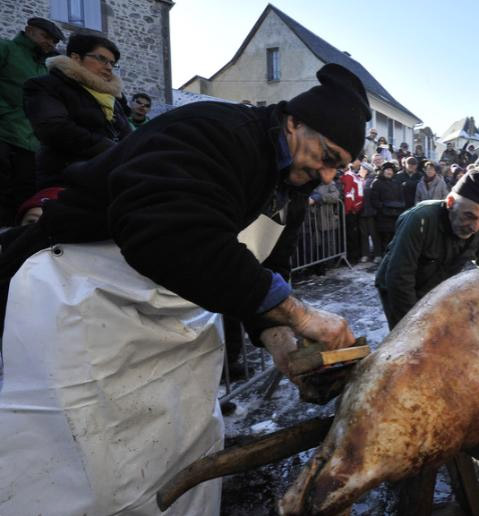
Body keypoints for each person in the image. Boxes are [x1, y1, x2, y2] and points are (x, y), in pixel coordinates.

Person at [0, 63, 368, 515]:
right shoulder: (218, 131)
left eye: (342, 168)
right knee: (80, 469)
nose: (330, 176)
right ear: (294, 122)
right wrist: (301, 315)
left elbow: (267, 269)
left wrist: (280, 342)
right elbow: (168, 231)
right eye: (328, 156)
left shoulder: (291, 190)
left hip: (171, 333)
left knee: (177, 459)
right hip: (80, 305)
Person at [374, 166, 479, 328]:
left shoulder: (478, 233)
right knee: (407, 341)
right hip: (396, 286)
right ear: (450, 202)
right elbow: (399, 278)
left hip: (431, 287)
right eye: (469, 216)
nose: (475, 227)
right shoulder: (419, 220)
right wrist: (413, 326)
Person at [24, 31, 132, 189]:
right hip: (66, 178)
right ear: (76, 58)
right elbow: (55, 129)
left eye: (112, 63)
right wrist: (114, 150)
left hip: (111, 177)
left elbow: (126, 135)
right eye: (102, 59)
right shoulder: (45, 85)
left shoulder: (111, 97)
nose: (109, 67)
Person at [0, 17, 63, 226]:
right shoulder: (6, 48)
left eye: (54, 41)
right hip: (3, 134)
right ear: (28, 30)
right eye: (45, 36)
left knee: (22, 195)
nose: (50, 44)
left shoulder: (44, 68)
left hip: (29, 142)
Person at [371, 161, 405, 262]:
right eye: (387, 170)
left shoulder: (396, 183)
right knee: (383, 236)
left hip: (395, 214)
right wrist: (383, 208)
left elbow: (401, 198)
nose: (389, 172)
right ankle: (382, 256)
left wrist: (398, 207)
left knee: (393, 236)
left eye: (391, 170)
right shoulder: (377, 183)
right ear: (383, 171)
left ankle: (392, 255)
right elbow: (374, 200)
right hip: (383, 215)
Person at [358, 161, 379, 263]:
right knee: (364, 234)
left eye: (361, 169)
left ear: (366, 170)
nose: (359, 171)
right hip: (362, 211)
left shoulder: (372, 180)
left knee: (374, 234)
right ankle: (365, 254)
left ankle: (377, 254)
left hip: (371, 211)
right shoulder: (359, 179)